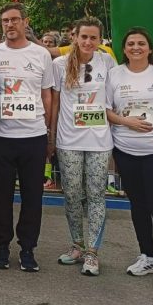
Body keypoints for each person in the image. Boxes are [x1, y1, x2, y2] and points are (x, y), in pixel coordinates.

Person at [106, 27, 153, 291]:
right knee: (138, 206)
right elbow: (105, 110)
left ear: (150, 48)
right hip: (126, 150)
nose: (135, 47)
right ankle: (148, 257)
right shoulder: (115, 74)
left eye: (141, 43)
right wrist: (126, 121)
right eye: (130, 44)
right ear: (124, 49)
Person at [0, 3, 53, 272]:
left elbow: (47, 95)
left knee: (32, 196)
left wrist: (48, 132)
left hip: (33, 135)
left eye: (14, 20)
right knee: (0, 196)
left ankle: (27, 248)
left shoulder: (41, 54)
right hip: (0, 136)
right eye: (5, 21)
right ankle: (2, 246)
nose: (9, 25)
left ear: (25, 22)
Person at [49, 18, 115, 277]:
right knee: (72, 194)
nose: (88, 42)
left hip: (99, 141)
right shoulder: (59, 64)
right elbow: (54, 102)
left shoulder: (107, 62)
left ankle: (93, 252)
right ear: (74, 37)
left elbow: (114, 98)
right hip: (68, 140)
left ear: (99, 40)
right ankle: (77, 244)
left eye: (93, 38)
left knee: (97, 194)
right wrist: (51, 136)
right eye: (83, 37)